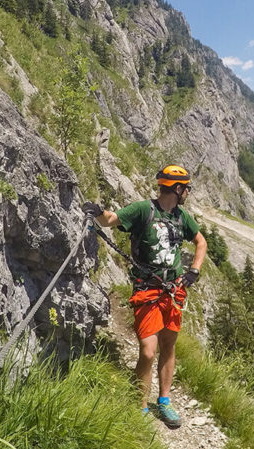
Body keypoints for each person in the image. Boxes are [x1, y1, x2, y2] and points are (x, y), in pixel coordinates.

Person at [83, 164, 207, 429]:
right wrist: (97, 212)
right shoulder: (143, 210)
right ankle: (140, 404)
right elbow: (112, 219)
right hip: (148, 291)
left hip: (172, 291)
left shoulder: (182, 216)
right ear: (177, 188)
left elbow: (201, 241)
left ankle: (164, 401)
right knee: (149, 351)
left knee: (169, 346)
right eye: (185, 188)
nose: (187, 193)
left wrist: (194, 270)